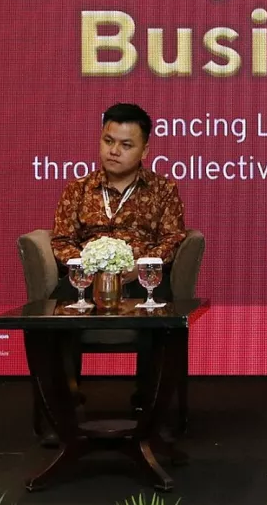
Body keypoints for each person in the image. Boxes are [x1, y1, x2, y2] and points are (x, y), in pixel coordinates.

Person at [51, 103, 187, 400]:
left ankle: (150, 404)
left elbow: (172, 238)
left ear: (145, 150)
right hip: (85, 279)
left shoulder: (163, 190)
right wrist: (86, 267)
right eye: (108, 141)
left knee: (161, 311)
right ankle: (63, 404)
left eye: (126, 145)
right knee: (53, 313)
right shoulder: (78, 190)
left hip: (140, 276)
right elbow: (61, 240)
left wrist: (139, 267)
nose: (114, 151)